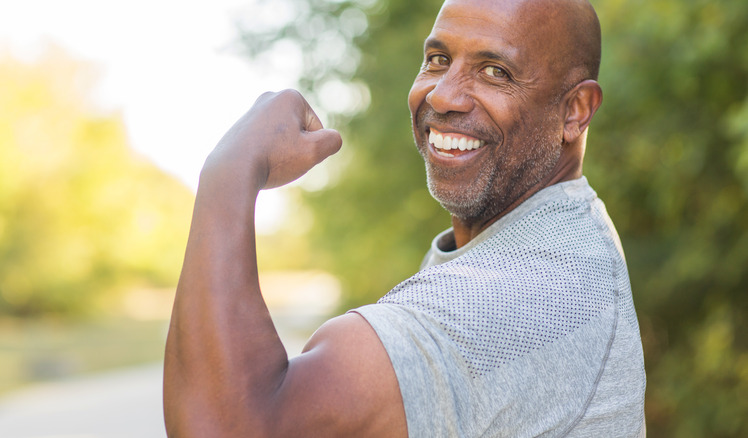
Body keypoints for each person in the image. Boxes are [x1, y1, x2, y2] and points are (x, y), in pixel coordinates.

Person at [163, 0, 647, 436]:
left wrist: (228, 172)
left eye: (496, 71)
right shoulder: (571, 230)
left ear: (576, 110)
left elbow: (233, 425)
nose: (442, 96)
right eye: (438, 60)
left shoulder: (530, 292)